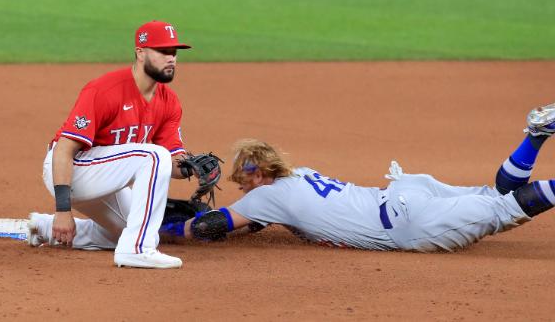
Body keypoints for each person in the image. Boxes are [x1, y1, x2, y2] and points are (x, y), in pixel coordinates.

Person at [160, 105, 555, 252]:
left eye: (243, 179)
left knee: (504, 207)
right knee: (498, 194)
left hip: (410, 224)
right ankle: (535, 135)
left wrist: (166, 232)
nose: (240, 186)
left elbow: (214, 225)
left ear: (260, 173)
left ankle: (537, 137)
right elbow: (261, 217)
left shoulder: (265, 196)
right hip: (408, 190)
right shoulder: (299, 175)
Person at [28, 20, 196, 268]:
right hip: (70, 171)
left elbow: (171, 163)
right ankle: (137, 249)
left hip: (106, 178)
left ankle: (42, 228)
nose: (171, 58)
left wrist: (193, 166)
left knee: (133, 227)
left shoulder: (168, 101)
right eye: (163, 51)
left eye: (174, 52)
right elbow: (64, 149)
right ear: (140, 53)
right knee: (153, 156)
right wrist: (63, 211)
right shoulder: (105, 90)